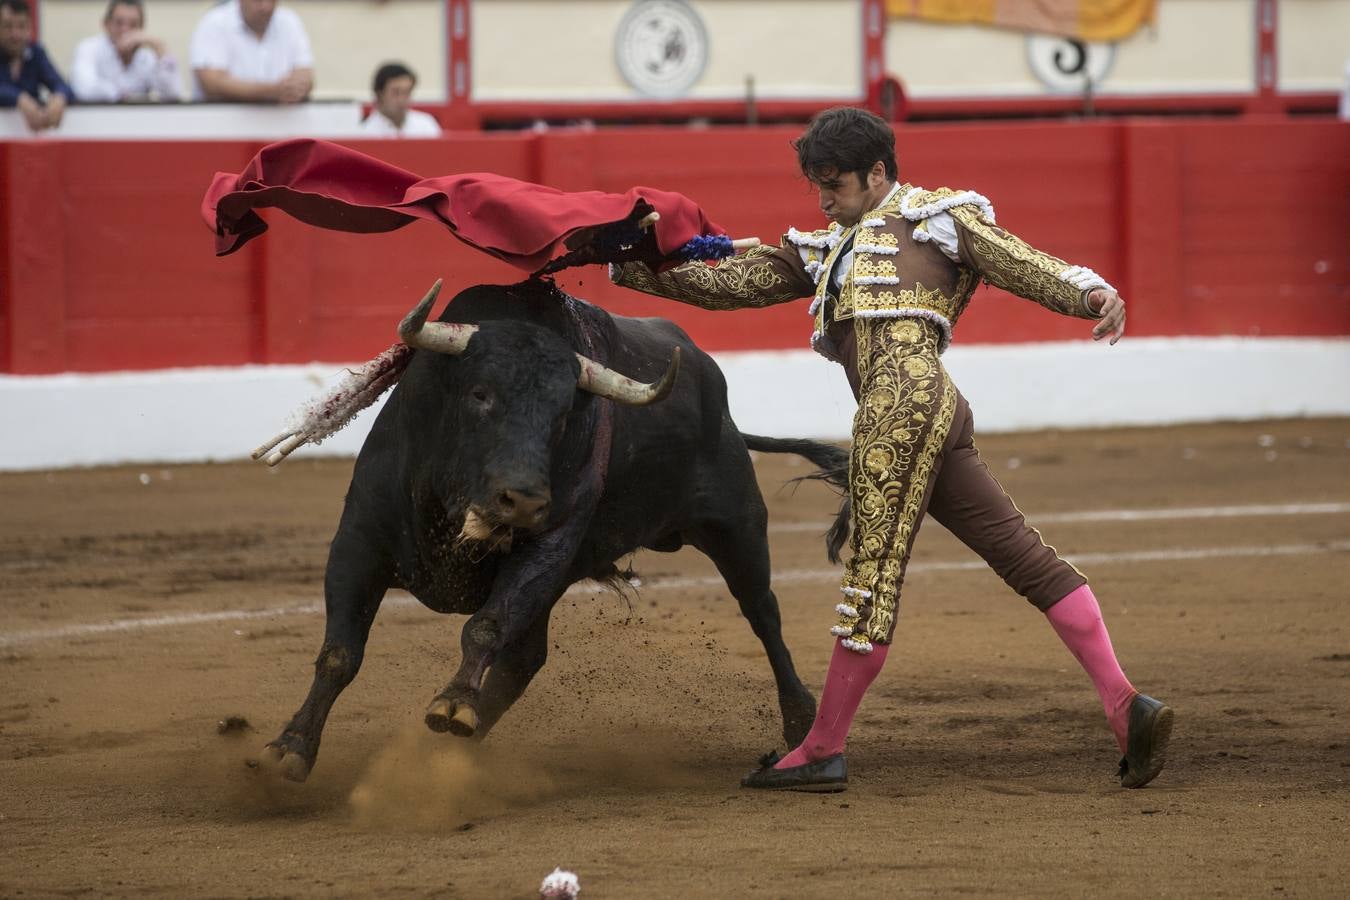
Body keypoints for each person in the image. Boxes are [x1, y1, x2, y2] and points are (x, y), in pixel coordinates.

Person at [611, 106, 1172, 792]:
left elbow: (1020, 261)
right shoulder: (825, 248)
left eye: (837, 183)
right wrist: (632, 264)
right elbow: (731, 284)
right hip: (931, 409)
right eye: (817, 183)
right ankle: (1124, 706)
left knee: (871, 580)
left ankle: (822, 748)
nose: (825, 197)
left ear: (878, 173)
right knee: (1022, 554)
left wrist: (1091, 293)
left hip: (899, 412)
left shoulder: (942, 217)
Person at [189, 0, 313, 103]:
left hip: (282, 124)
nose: (265, 7)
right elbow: (212, 84)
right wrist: (272, 91)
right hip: (223, 125)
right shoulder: (215, 22)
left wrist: (297, 87)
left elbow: (305, 75)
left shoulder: (289, 21)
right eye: (258, 1)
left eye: (271, 1)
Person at [70, 0, 180, 102]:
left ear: (141, 28)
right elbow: (84, 89)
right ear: (106, 24)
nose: (125, 30)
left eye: (133, 24)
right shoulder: (89, 48)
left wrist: (160, 48)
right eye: (119, 23)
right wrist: (122, 95)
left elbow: (172, 94)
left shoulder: (146, 56)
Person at [1, 0, 73, 132]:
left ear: (29, 29)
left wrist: (59, 97)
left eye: (21, 26)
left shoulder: (36, 53)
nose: (15, 34)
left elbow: (61, 84)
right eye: (8, 26)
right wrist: (19, 99)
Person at [360, 62, 442, 138]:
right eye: (396, 92)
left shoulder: (426, 125)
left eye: (407, 92)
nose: (402, 99)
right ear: (380, 94)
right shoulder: (364, 132)